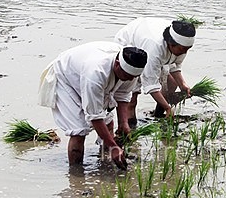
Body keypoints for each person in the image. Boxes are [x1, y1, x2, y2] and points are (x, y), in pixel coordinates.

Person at [37, 42, 148, 170]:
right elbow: (94, 117)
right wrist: (113, 146)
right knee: (79, 130)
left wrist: (124, 123)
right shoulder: (95, 73)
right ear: (117, 64)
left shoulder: (130, 69)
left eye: (133, 77)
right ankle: (76, 175)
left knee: (108, 123)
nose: (129, 80)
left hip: (84, 73)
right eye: (127, 76)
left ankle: (106, 162)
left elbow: (123, 95)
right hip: (66, 77)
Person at [114, 18, 196, 124]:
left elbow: (175, 66)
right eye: (183, 49)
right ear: (171, 44)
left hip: (150, 32)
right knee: (132, 98)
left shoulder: (181, 46)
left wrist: (182, 84)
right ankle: (129, 128)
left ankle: (159, 114)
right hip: (130, 44)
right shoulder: (155, 48)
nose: (185, 52)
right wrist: (168, 108)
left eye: (188, 49)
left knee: (172, 83)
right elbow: (151, 85)